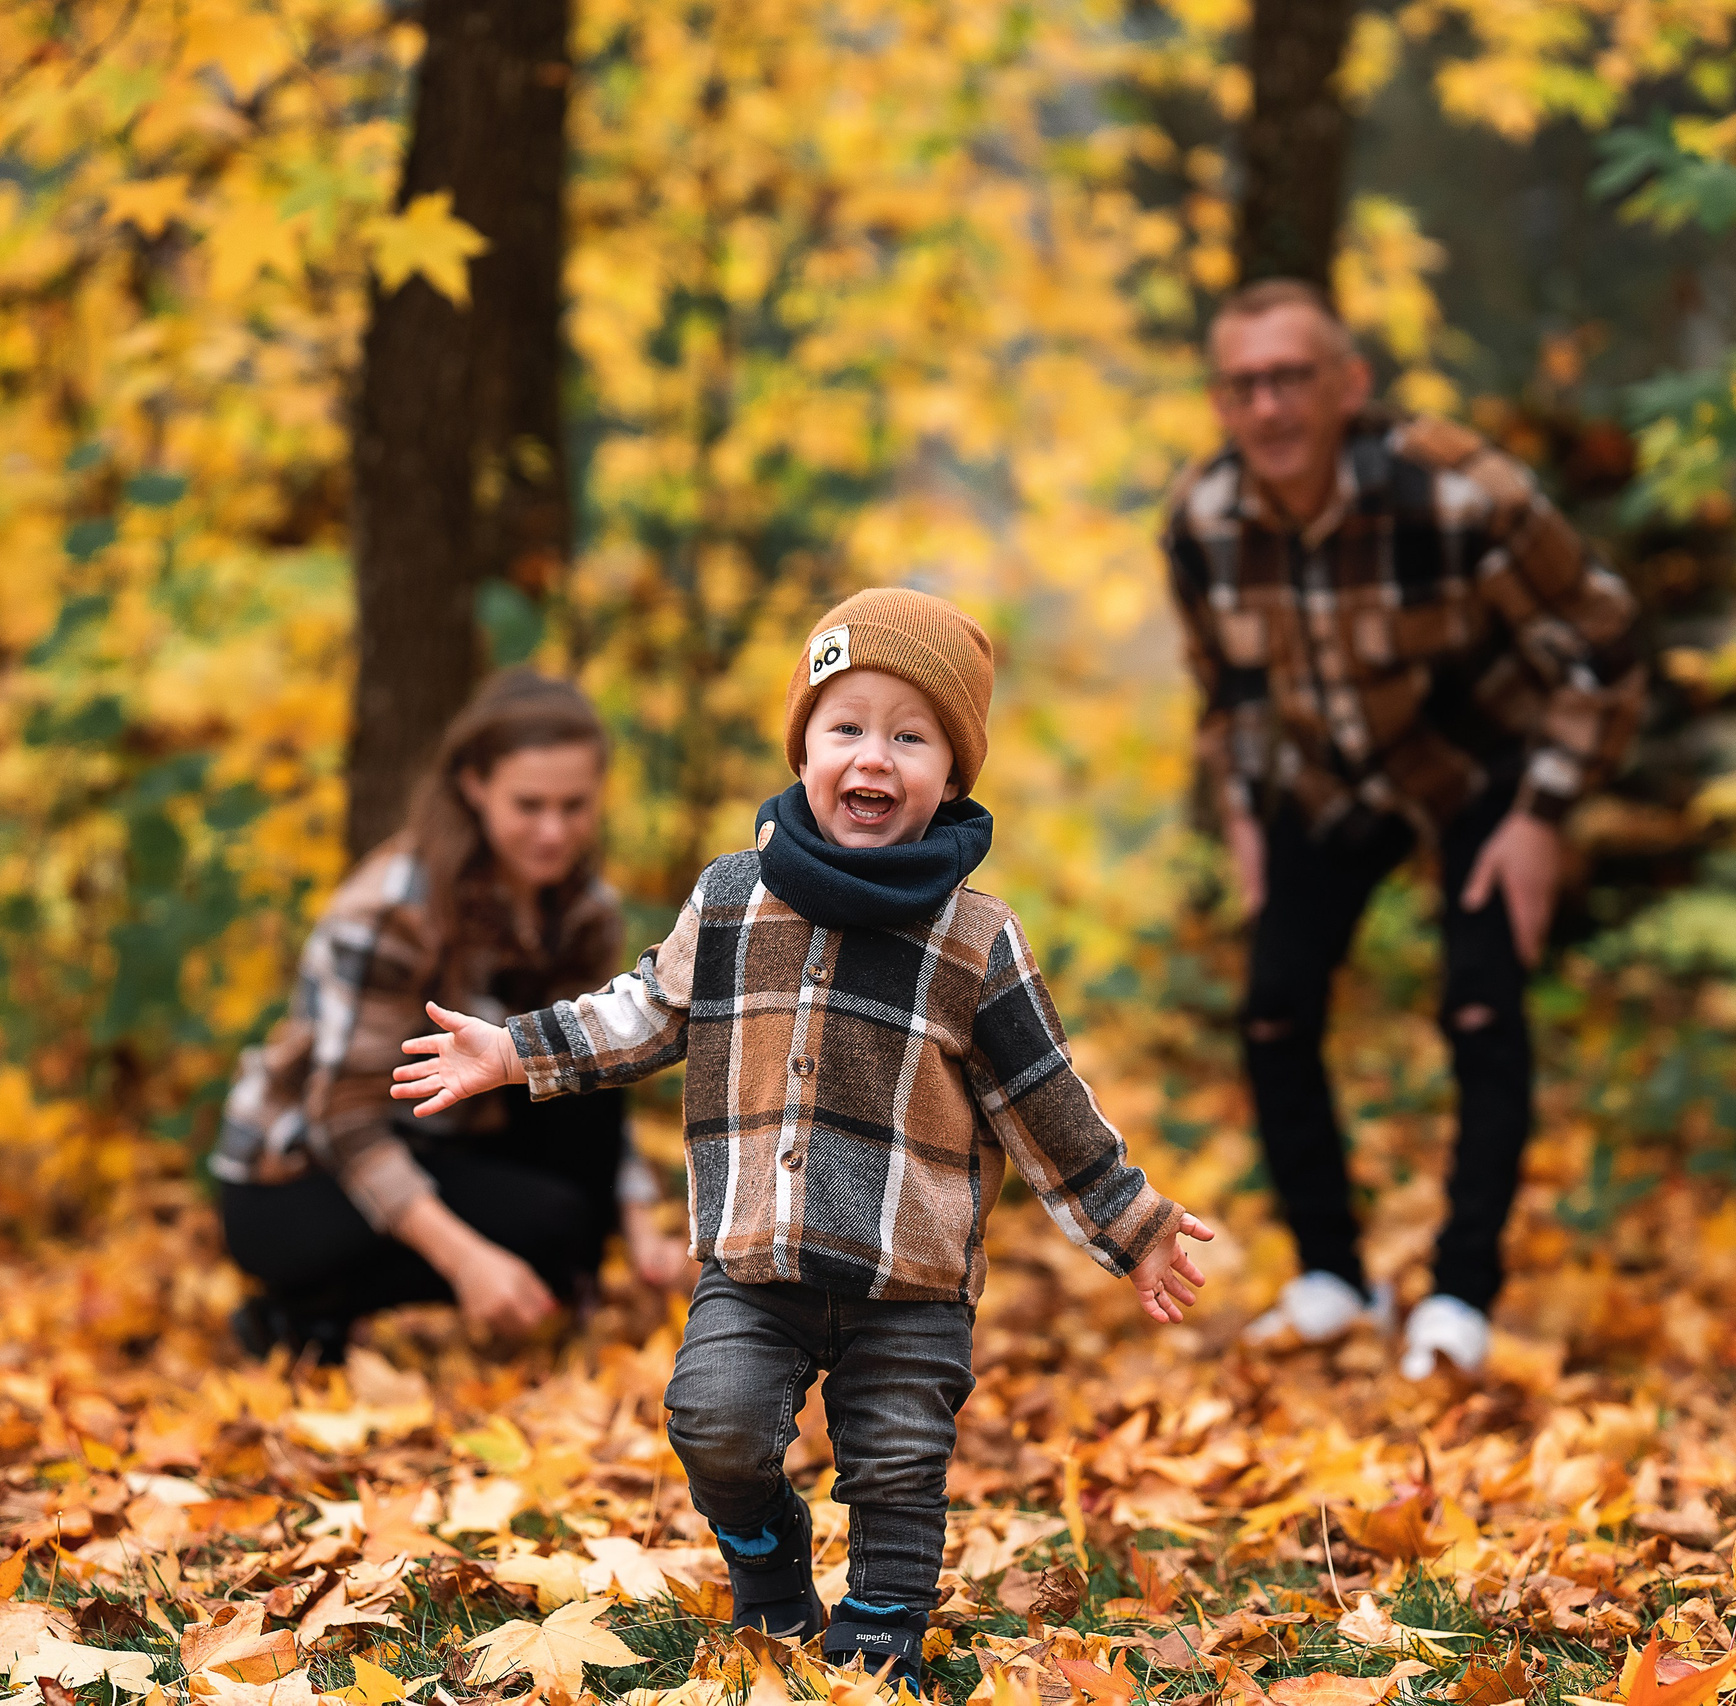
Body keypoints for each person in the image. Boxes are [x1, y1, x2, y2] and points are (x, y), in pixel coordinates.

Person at [393, 589, 1216, 1697]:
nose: (873, 757)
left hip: (909, 1276)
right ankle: (769, 1567)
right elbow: (643, 1010)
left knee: (899, 1462)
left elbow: (1045, 1102)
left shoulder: (976, 938)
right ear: (806, 746)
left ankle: (880, 1642)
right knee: (713, 1415)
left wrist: (1137, 1225)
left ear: (950, 774)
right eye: (847, 727)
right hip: (756, 1257)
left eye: (909, 736)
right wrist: (517, 1051)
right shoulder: (734, 900)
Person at [1164, 279, 1644, 1378]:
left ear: (1348, 384)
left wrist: (1541, 817)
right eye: (1243, 386)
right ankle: (1332, 1276)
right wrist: (1244, 813)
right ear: (1219, 401)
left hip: (1475, 770)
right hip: (1325, 781)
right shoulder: (1201, 520)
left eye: (1291, 378)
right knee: (1273, 1007)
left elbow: (1603, 644)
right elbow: (1227, 688)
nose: (1269, 406)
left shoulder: (1461, 494)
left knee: (1479, 1002)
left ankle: (1461, 1294)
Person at [209, 669, 687, 1363]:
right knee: (549, 1230)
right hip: (297, 1175)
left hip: (442, 1137)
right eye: (529, 805)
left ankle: (552, 1292)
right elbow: (341, 1120)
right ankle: (300, 1313)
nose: (554, 832)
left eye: (575, 806)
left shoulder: (583, 911)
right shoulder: (389, 911)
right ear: (474, 786)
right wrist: (468, 1260)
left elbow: (597, 1078)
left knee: (578, 1063)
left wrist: (642, 1231)